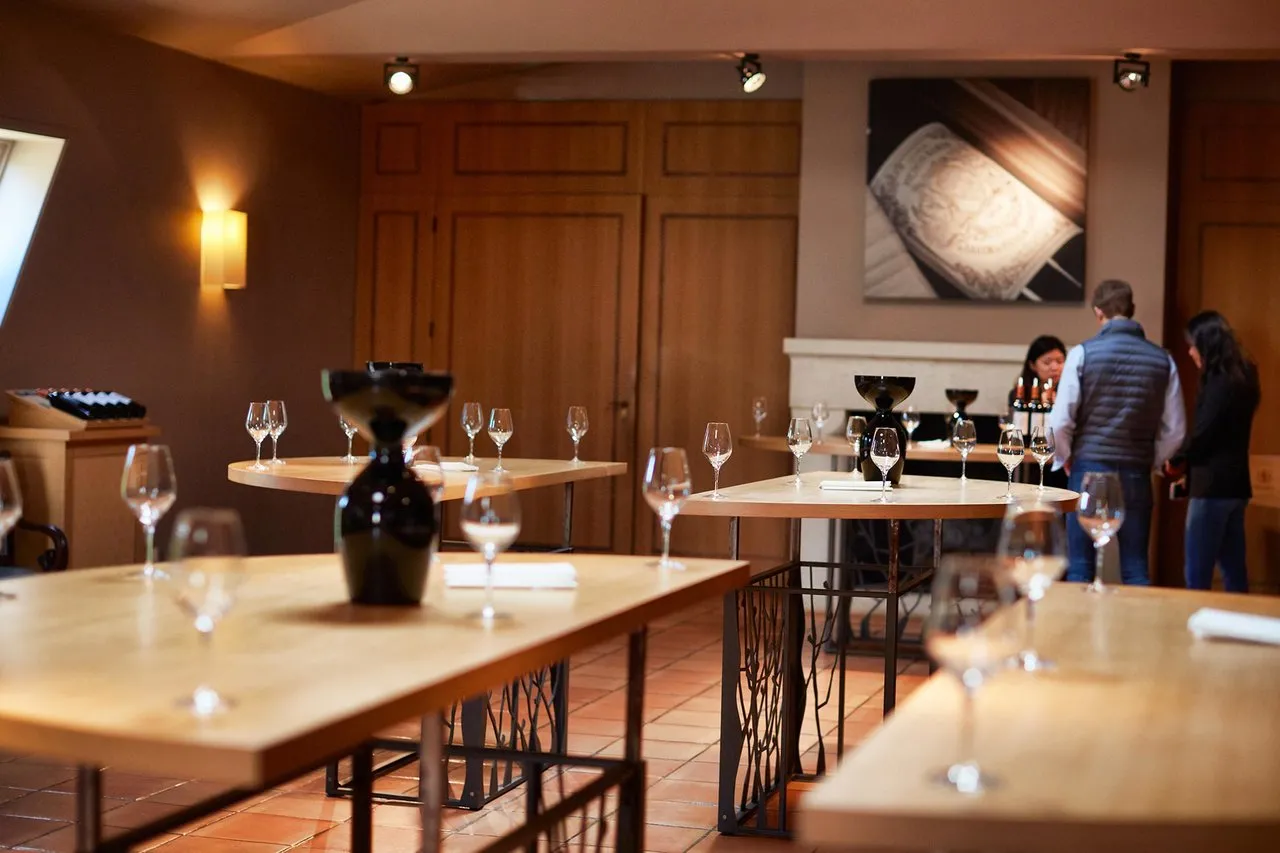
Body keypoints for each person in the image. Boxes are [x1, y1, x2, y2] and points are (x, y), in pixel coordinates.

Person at [1048, 280, 1186, 585]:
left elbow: (1060, 422)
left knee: (1080, 566)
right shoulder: (1163, 359)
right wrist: (1150, 460)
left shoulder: (1082, 354)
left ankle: (1077, 619)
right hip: (1136, 471)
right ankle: (1139, 619)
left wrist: (1065, 457)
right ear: (1132, 309)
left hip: (1088, 468)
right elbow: (1175, 430)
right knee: (1136, 567)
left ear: (1099, 312)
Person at [1165, 311, 1259, 593]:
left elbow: (1204, 434)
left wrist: (1177, 460)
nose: (1191, 352)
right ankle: (1240, 619)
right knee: (1234, 571)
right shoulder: (1245, 375)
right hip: (1236, 486)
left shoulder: (1218, 382)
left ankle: (1196, 620)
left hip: (1211, 488)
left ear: (1206, 344)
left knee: (1197, 573)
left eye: (1193, 345)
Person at [1008, 335, 1067, 407]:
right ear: (1032, 365)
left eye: (1060, 361)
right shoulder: (1019, 394)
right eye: (1047, 362)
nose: (1055, 368)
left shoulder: (1071, 392)